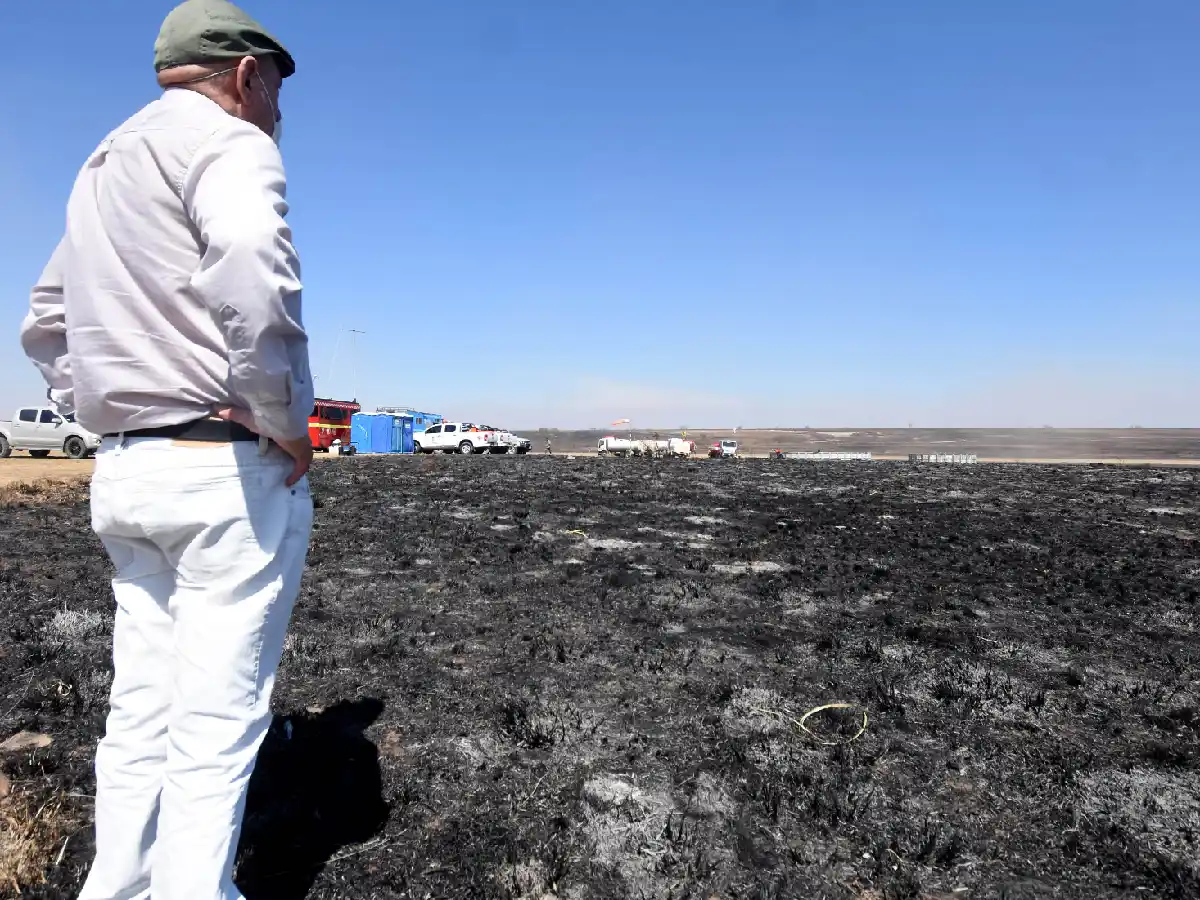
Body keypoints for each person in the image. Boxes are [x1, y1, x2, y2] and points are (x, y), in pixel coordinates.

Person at [19, 2, 313, 898]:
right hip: (219, 469)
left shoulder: (102, 164)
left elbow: (44, 321)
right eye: (274, 87)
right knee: (217, 720)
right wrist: (283, 417)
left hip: (127, 473)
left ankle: (115, 888)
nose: (277, 110)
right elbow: (253, 273)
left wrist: (105, 408)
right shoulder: (227, 143)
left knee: (140, 706)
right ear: (241, 73)